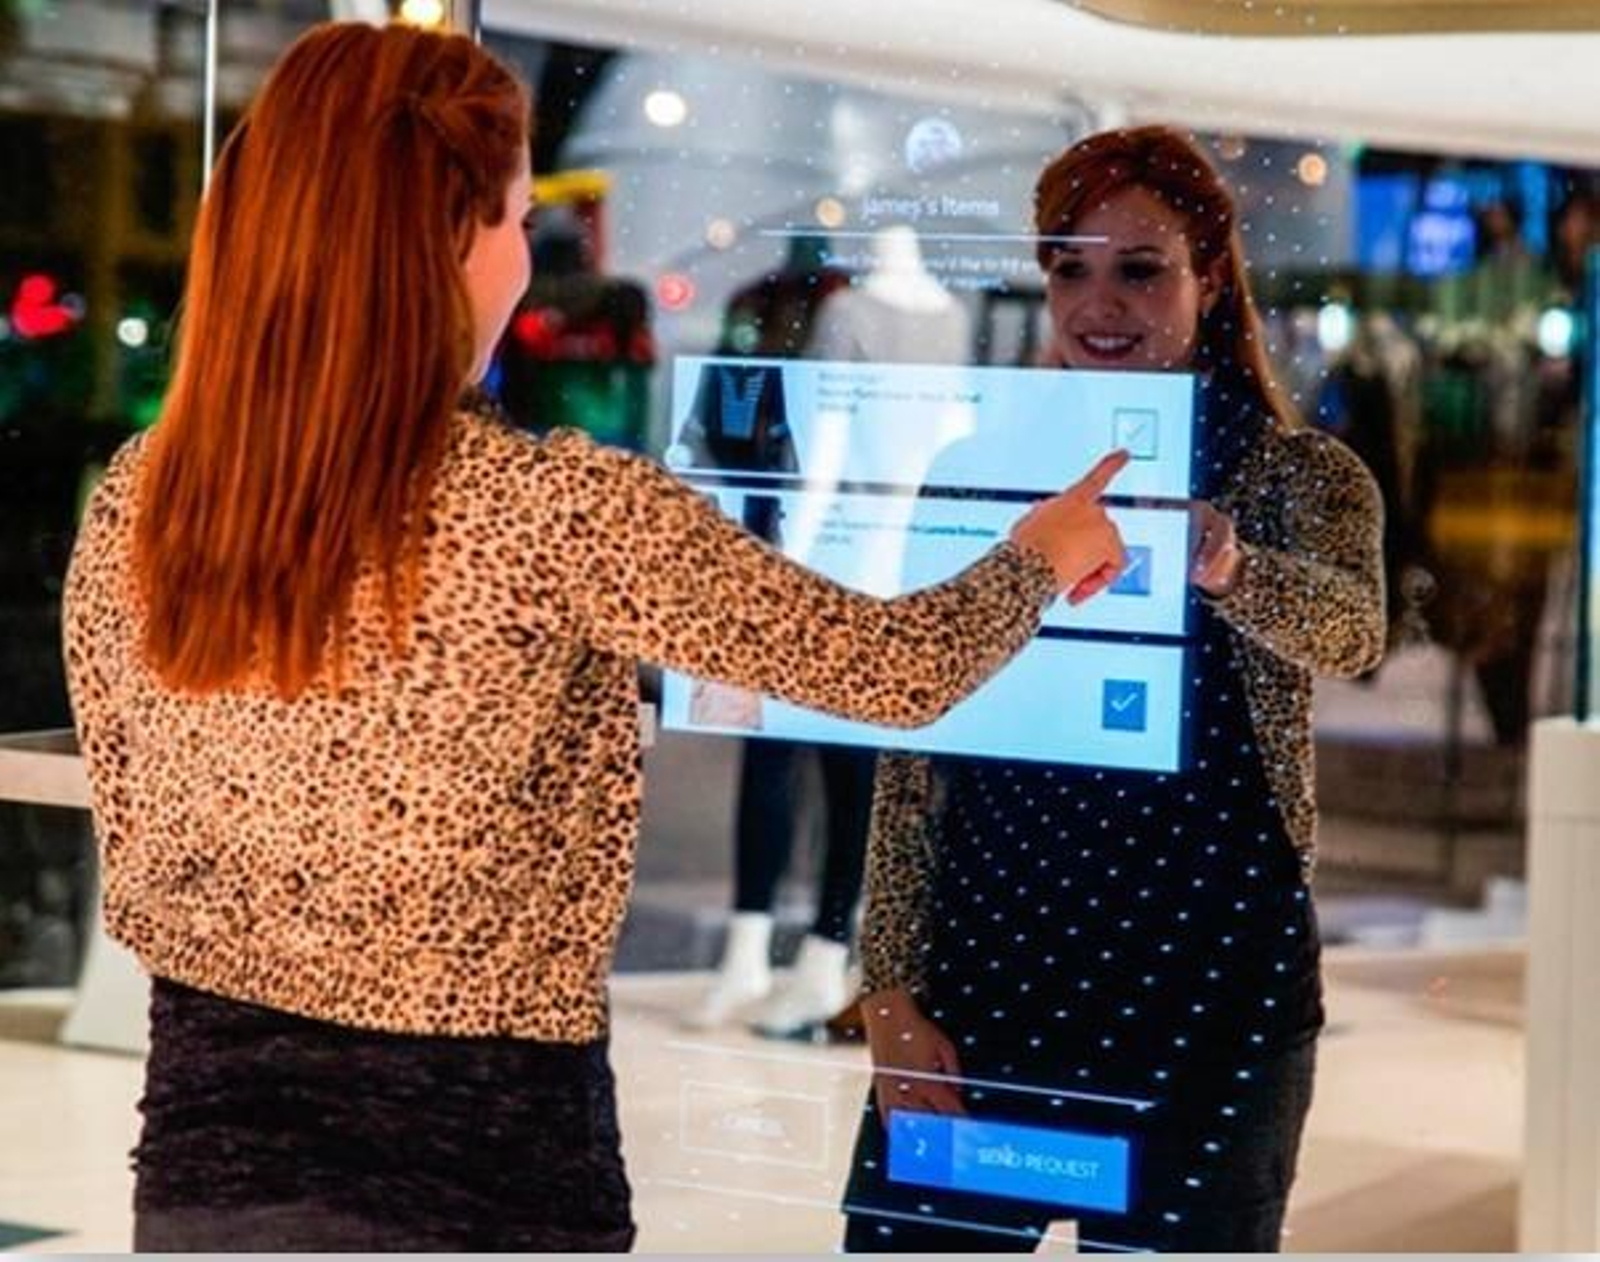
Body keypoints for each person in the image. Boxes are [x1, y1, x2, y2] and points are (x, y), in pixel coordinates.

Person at [60, 22, 1130, 1252]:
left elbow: (131, 831)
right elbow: (890, 667)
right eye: (518, 218)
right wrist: (1038, 556)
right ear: (450, 236)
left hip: (206, 1165)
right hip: (480, 1178)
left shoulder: (144, 499)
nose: (530, 255)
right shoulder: (555, 512)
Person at [841, 125, 1386, 1253]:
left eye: (1139, 267)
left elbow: (1352, 633)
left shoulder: (1298, 473)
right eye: (1069, 267)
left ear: (1209, 276)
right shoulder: (979, 468)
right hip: (985, 976)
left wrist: (1227, 563)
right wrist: (887, 987)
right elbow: (913, 749)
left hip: (1211, 990)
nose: (1102, 302)